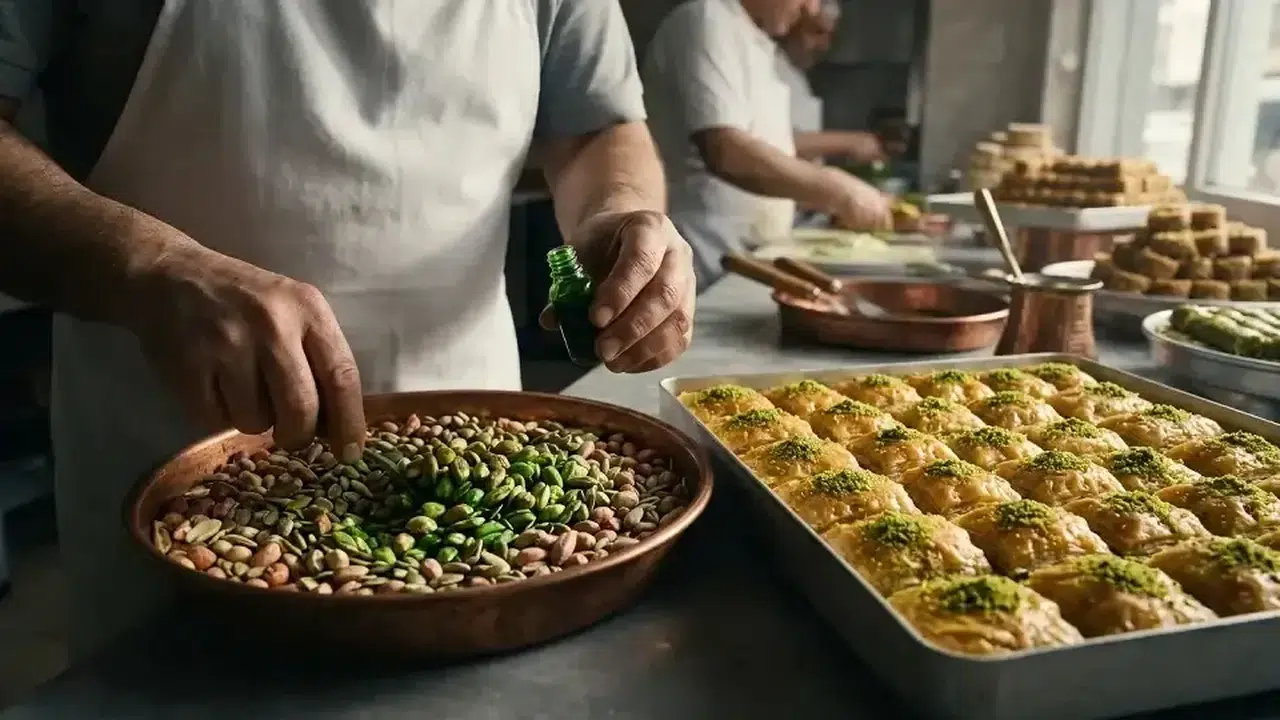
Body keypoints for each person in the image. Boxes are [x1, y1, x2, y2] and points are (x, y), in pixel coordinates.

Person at [0, 0, 696, 659]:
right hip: (188, 467)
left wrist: (616, 214)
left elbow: (595, 128)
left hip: (484, 455)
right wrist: (150, 268)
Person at [642, 0, 892, 291]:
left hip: (749, 259)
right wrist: (839, 190)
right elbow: (726, 152)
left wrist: (820, 197)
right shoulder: (707, 18)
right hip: (703, 260)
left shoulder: (755, 41)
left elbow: (771, 151)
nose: (811, 9)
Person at [774, 0, 884, 165]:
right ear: (791, 25)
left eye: (830, 36)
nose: (824, 45)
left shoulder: (796, 76)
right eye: (816, 32)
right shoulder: (769, 68)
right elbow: (770, 142)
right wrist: (851, 142)